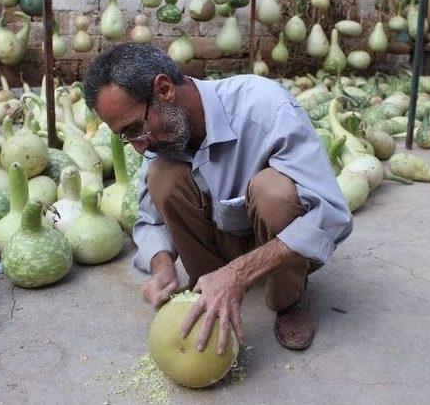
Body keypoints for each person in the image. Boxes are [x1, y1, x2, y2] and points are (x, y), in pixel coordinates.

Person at [84, 43, 353, 353]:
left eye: (135, 129)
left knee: (273, 191)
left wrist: (239, 272)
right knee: (163, 175)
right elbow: (150, 217)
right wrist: (162, 265)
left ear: (164, 89)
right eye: (125, 136)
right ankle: (207, 283)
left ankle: (289, 299)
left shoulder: (265, 106)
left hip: (279, 240)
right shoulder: (161, 135)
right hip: (224, 236)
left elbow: (333, 215)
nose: (139, 146)